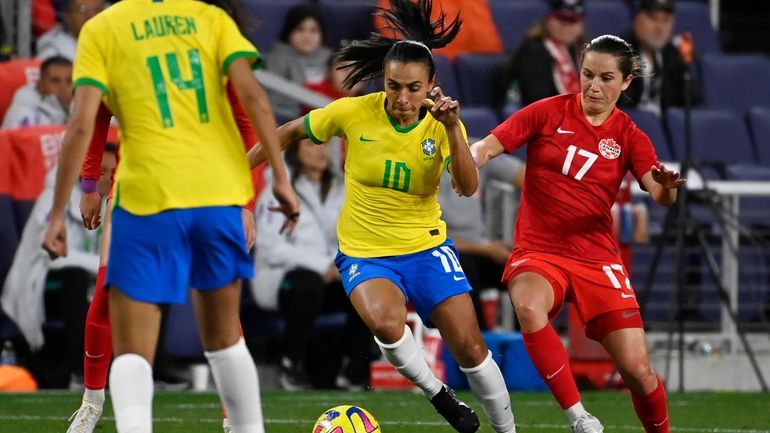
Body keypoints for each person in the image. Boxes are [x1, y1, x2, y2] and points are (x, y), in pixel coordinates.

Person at [248, 2, 516, 432]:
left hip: (427, 247)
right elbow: (290, 131)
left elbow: (467, 186)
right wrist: (242, 176)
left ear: (431, 85)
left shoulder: (442, 126)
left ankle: (507, 430)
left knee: (470, 348)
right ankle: (438, 394)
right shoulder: (355, 112)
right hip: (365, 252)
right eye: (394, 86)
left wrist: (451, 129)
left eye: (413, 88)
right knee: (388, 324)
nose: (403, 98)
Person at [41, 0, 300, 432]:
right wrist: (279, 180)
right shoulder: (212, 19)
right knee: (225, 341)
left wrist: (59, 212)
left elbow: (83, 124)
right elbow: (255, 99)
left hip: (146, 196)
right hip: (215, 192)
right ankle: (242, 427)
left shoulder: (104, 27)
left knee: (132, 351)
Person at [471, 35, 685, 433]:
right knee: (529, 307)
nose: (594, 86)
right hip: (540, 250)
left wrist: (668, 184)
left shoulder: (629, 135)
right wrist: (471, 156)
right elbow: (490, 145)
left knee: (638, 372)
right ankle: (579, 417)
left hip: (597, 257)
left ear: (626, 82)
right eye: (587, 75)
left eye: (606, 78)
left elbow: (658, 194)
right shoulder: (548, 112)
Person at [255, 139, 372, 391]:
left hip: (332, 275)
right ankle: (291, 364)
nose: (321, 151)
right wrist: (322, 266)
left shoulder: (341, 188)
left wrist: (336, 265)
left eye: (324, 146)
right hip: (282, 278)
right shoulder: (277, 190)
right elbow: (270, 247)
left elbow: (352, 235)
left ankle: (355, 368)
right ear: (296, 152)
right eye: (311, 145)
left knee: (366, 284)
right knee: (306, 285)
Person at [438, 155, 524, 330]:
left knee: (524, 272)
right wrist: (488, 249)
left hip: (481, 250)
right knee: (462, 267)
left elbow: (529, 177)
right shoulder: (419, 157)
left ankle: (527, 340)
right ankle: (481, 343)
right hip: (438, 253)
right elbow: (433, 237)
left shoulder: (473, 152)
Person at [620, 0, 703, 116]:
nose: (659, 28)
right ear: (636, 18)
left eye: (666, 20)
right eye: (653, 19)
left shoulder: (674, 56)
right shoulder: (617, 53)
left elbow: (693, 101)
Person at [503, 0, 587, 109]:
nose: (565, 26)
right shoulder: (533, 51)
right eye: (560, 19)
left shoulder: (581, 51)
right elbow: (537, 99)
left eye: (572, 20)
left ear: (582, 26)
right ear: (547, 20)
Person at [265, 3, 333, 120]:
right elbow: (274, 100)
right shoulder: (277, 57)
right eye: (300, 29)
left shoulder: (330, 57)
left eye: (313, 30)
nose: (307, 36)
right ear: (289, 32)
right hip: (287, 120)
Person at [1, 56, 72, 129]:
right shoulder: (22, 113)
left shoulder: (79, 103)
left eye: (69, 81)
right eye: (55, 81)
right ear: (40, 83)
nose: (63, 88)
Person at [36, 0, 104, 61]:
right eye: (83, 9)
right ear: (67, 15)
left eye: (98, 10)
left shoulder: (111, 39)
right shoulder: (53, 48)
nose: (91, 16)